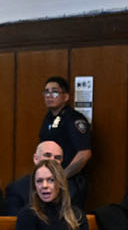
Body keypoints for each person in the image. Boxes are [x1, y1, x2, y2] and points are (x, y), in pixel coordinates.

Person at [37, 75, 92, 206]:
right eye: (46, 92)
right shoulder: (48, 118)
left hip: (69, 183)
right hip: (48, 182)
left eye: (55, 92)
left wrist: (62, 177)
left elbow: (84, 153)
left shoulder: (73, 119)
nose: (49, 95)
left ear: (66, 97)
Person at [13, 159, 83, 230]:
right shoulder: (27, 215)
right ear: (34, 186)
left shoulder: (77, 215)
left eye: (51, 180)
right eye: (39, 181)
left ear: (60, 183)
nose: (44, 186)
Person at [3, 140, 64, 216]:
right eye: (47, 155)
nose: (52, 160)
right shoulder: (17, 189)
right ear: (35, 158)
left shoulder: (69, 188)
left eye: (57, 158)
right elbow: (12, 222)